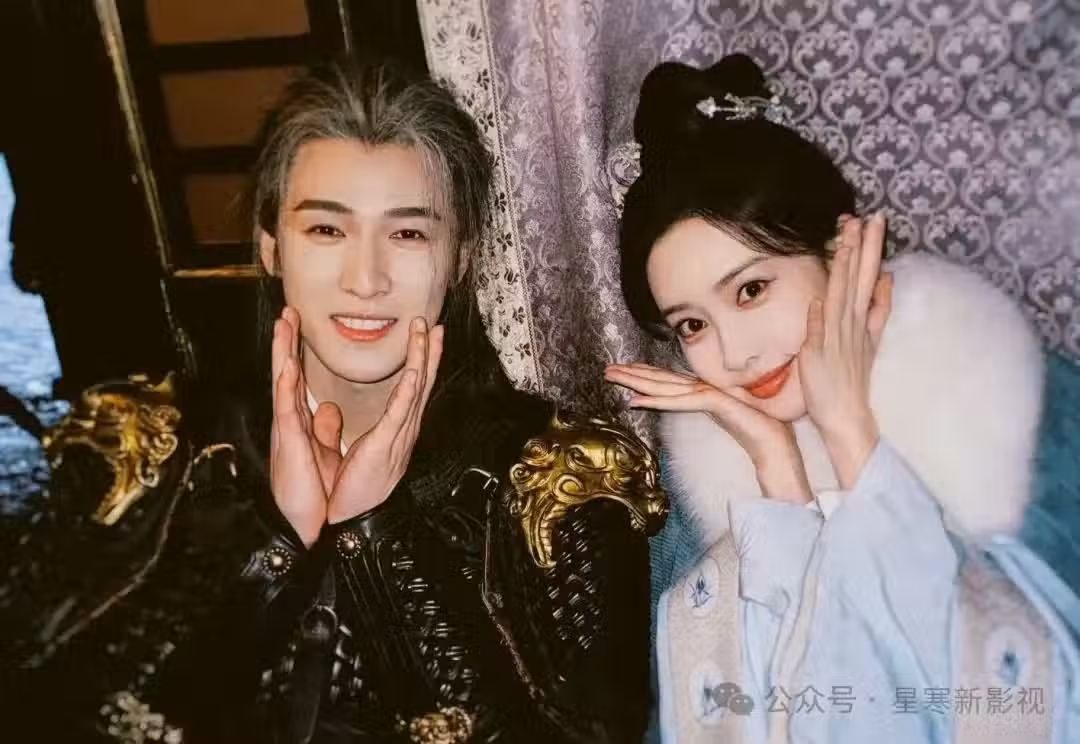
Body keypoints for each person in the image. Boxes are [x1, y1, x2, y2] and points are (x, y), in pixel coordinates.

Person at [1, 58, 667, 743]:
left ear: (461, 258)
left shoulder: (561, 485)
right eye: (326, 229)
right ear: (271, 248)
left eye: (408, 233)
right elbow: (41, 711)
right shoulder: (143, 450)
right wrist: (273, 543)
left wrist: (379, 532)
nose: (366, 278)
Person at [605, 54, 1080, 743]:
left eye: (751, 290)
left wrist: (852, 434)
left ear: (838, 250)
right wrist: (778, 474)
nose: (733, 354)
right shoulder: (703, 487)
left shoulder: (1014, 406)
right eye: (692, 325)